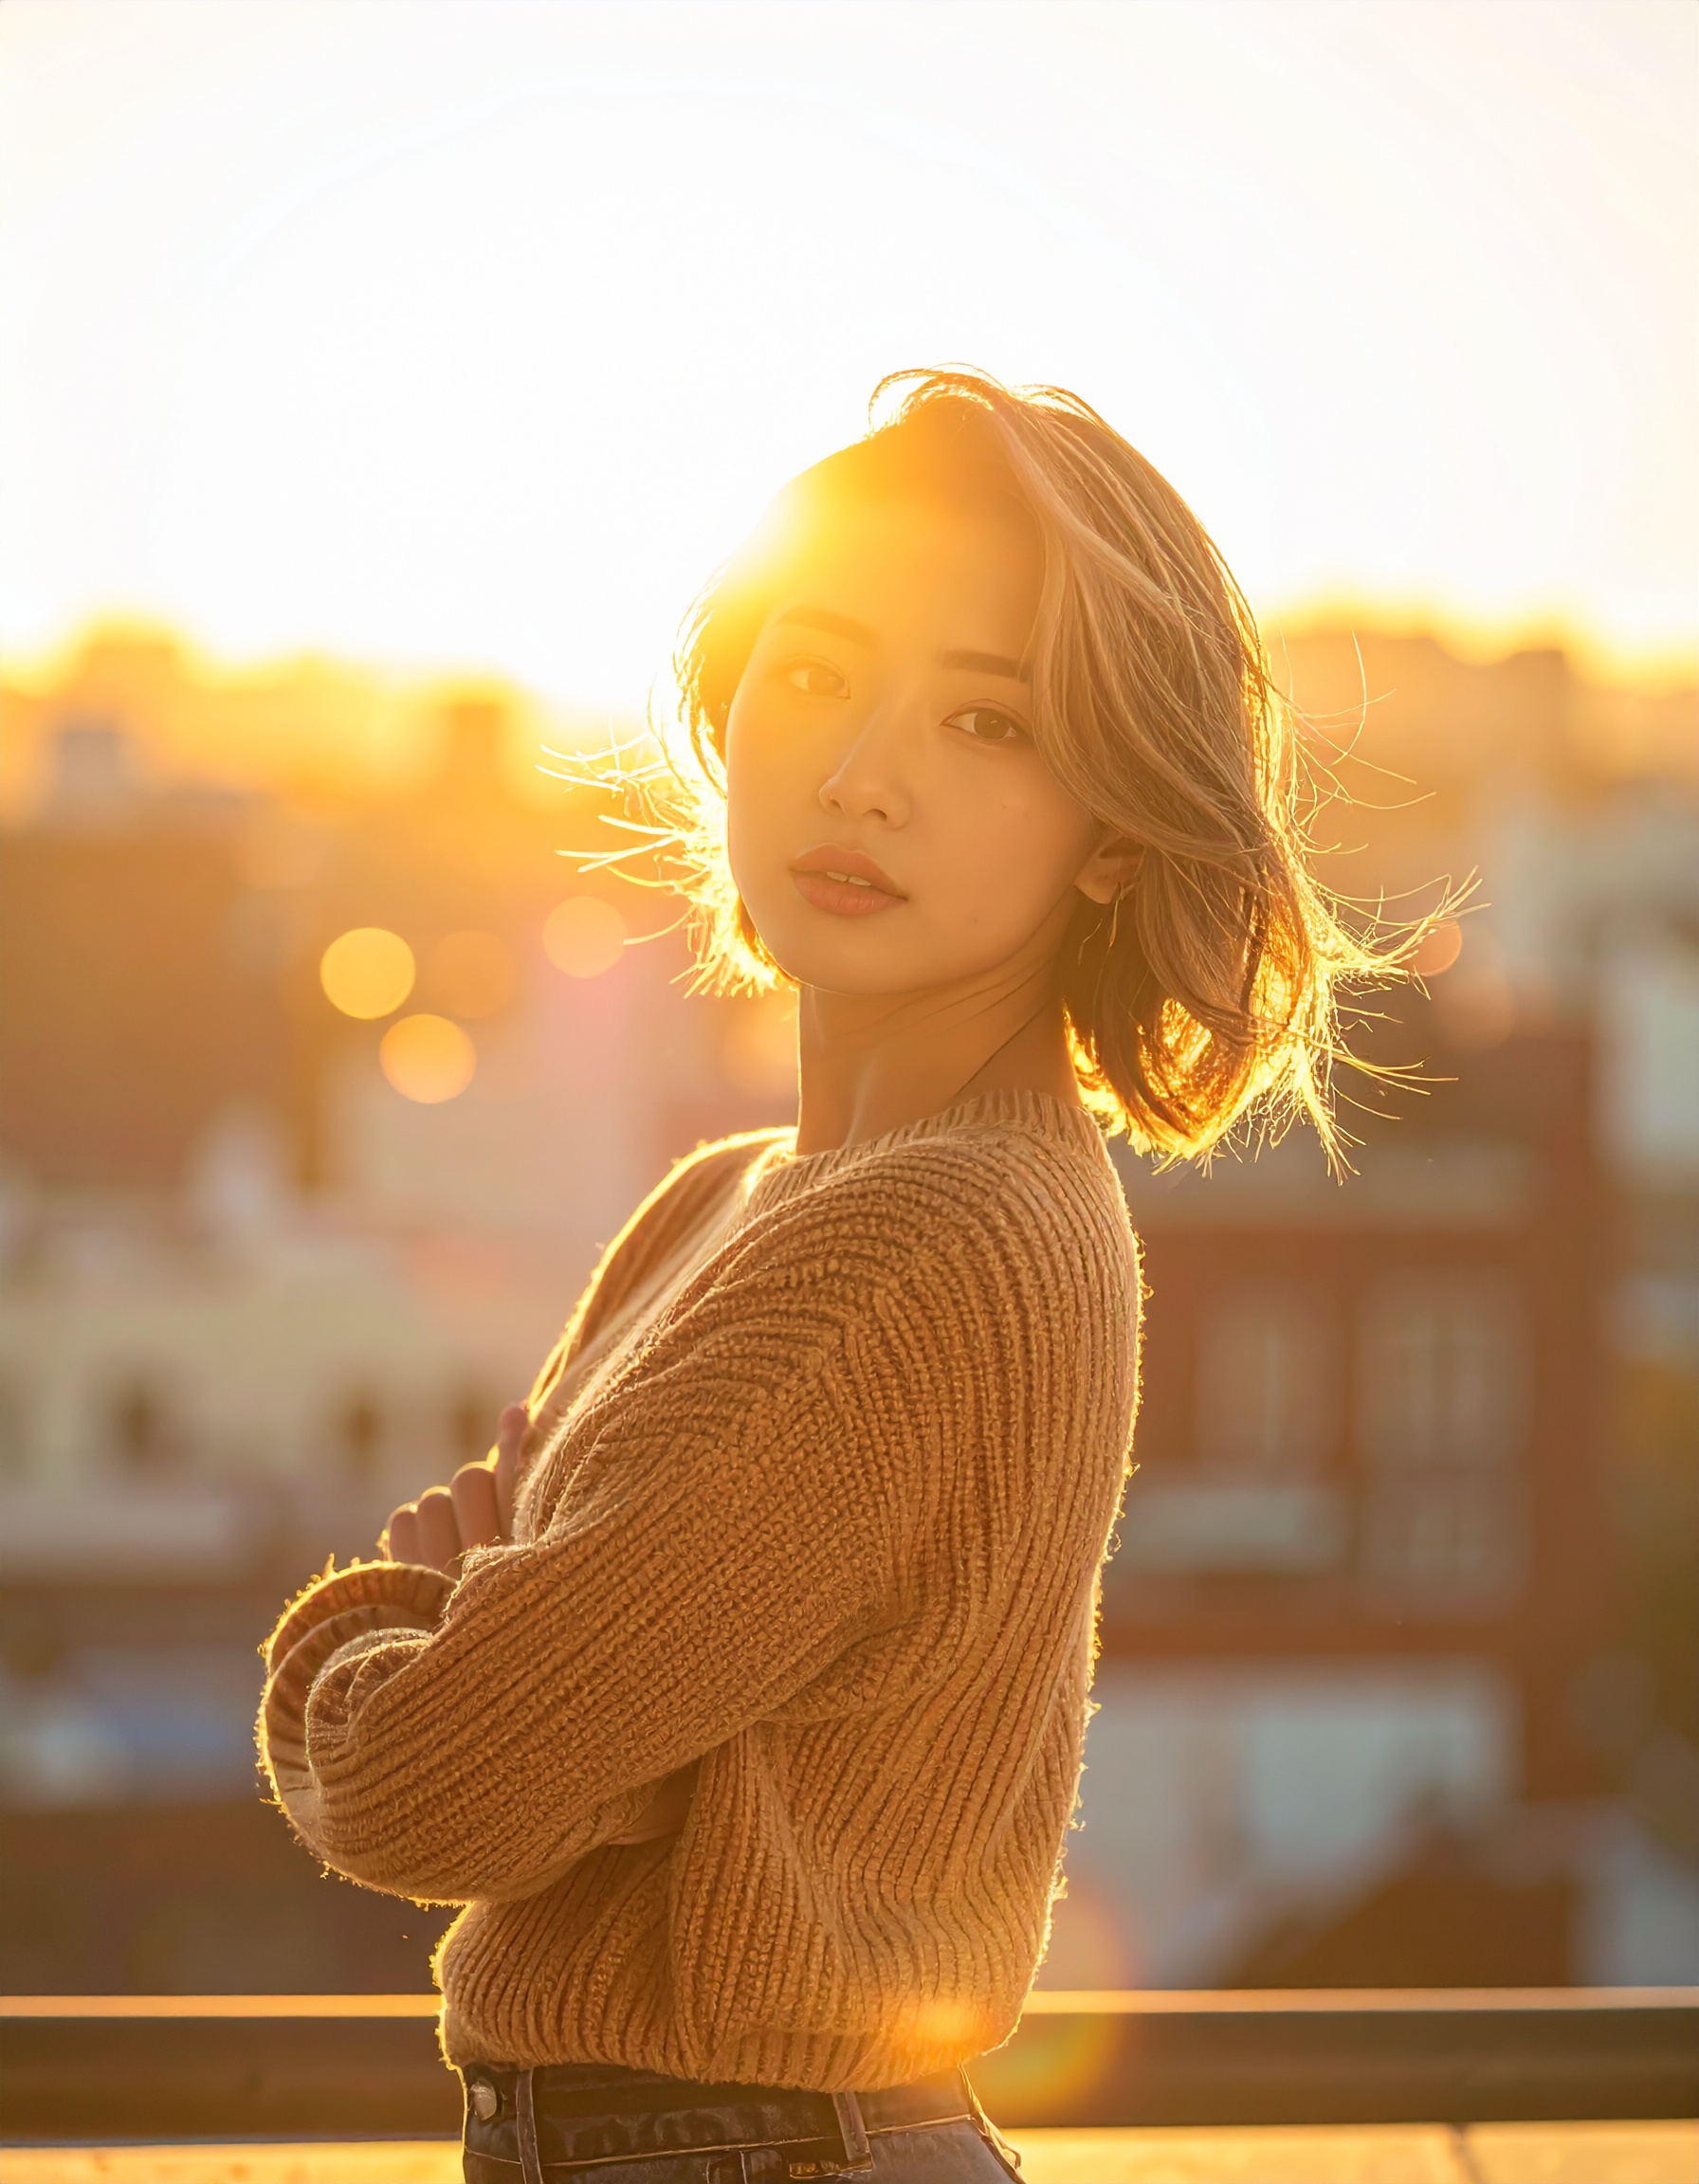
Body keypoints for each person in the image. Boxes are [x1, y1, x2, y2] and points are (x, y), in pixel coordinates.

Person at [260, 370, 1394, 2181]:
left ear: (1117, 827)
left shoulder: (922, 1246)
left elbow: (439, 1783)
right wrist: (558, 1703)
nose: (864, 773)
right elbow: (557, 1745)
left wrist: (383, 1631)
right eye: (813, 673)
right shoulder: (732, 1203)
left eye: (989, 725)